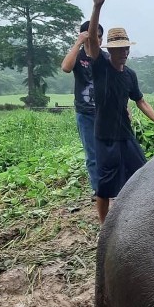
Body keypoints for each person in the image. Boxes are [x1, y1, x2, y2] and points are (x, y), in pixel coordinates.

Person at [84, 0, 154, 224]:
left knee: (141, 173)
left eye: (125, 48)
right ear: (109, 50)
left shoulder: (130, 75)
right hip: (105, 136)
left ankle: (138, 217)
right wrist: (96, 6)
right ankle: (104, 227)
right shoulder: (100, 67)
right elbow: (91, 39)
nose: (124, 52)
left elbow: (140, 101)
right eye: (118, 49)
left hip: (125, 134)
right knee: (104, 183)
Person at [60, 21, 103, 193]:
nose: (97, 40)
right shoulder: (78, 56)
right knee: (92, 155)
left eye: (99, 37)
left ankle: (110, 186)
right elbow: (65, 67)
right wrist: (78, 43)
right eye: (93, 36)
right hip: (85, 113)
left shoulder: (105, 57)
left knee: (108, 151)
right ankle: (98, 190)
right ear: (85, 37)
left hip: (104, 112)